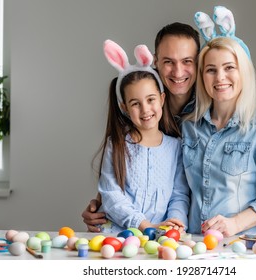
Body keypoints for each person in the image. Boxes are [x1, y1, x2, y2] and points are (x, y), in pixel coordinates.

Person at [82, 22, 200, 232]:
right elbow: (113, 188)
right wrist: (100, 205)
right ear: (155, 61)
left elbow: (180, 194)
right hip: (124, 232)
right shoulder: (140, 83)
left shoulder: (208, 112)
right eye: (168, 61)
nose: (178, 70)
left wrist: (174, 225)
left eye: (187, 61)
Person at [183, 6, 256, 237]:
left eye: (229, 67)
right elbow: (181, 191)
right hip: (194, 245)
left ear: (244, 72)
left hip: (243, 245)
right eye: (211, 70)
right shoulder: (189, 127)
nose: (220, 77)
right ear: (202, 77)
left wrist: (235, 224)